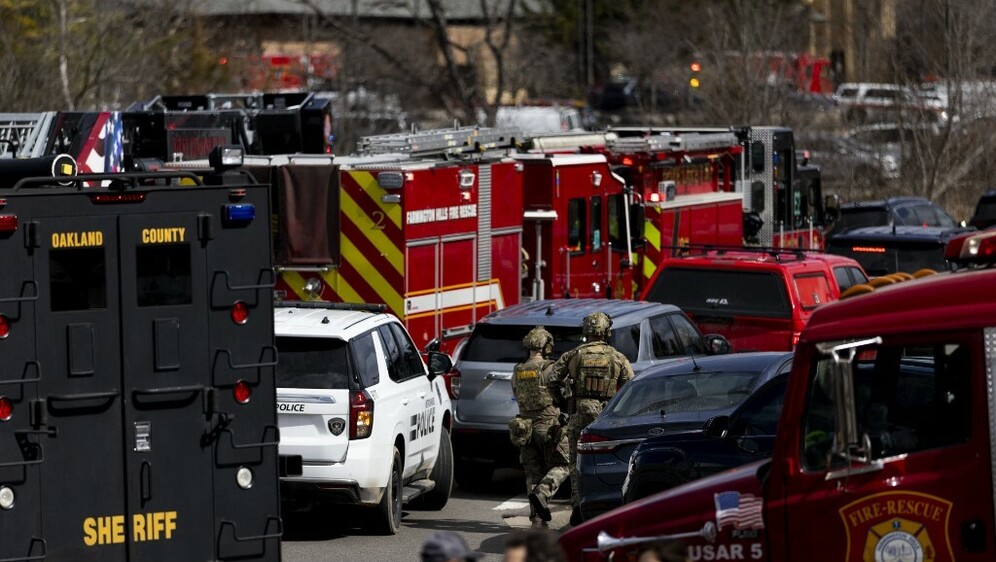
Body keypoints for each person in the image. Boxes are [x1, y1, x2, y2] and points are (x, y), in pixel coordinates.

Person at [543, 312, 634, 526]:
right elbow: (631, 385)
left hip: (579, 415)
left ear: (586, 330)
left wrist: (562, 401)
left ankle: (578, 504)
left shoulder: (573, 354)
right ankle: (607, 501)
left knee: (576, 462)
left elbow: (551, 379)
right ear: (607, 331)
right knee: (609, 460)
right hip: (607, 418)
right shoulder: (617, 357)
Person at [509, 327, 570, 529]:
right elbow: (564, 394)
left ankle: (536, 518)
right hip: (548, 425)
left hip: (524, 428)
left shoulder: (518, 371)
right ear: (546, 346)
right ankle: (543, 493)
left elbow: (516, 394)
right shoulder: (550, 369)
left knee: (533, 473)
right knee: (565, 463)